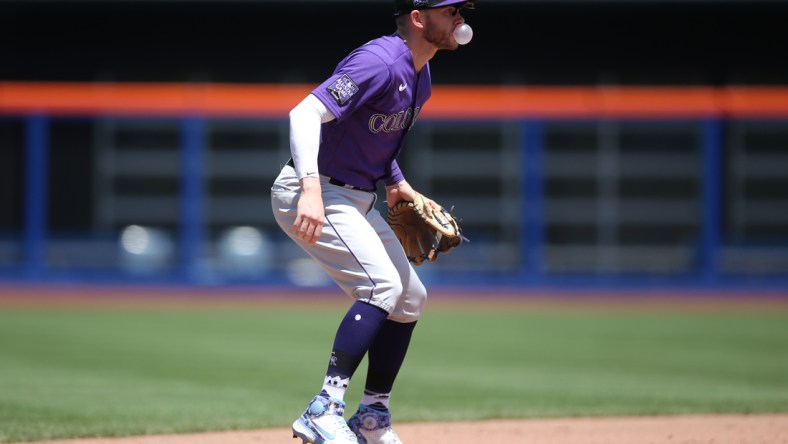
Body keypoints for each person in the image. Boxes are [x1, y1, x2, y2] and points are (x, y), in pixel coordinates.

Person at [271, 0, 475, 442]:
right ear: (419, 18)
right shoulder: (378, 61)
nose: (460, 18)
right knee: (381, 285)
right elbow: (303, 113)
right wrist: (309, 188)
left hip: (355, 195)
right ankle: (323, 409)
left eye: (463, 9)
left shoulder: (421, 77)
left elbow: (373, 139)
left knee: (410, 298)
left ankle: (371, 418)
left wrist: (397, 183)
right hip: (315, 189)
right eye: (451, 10)